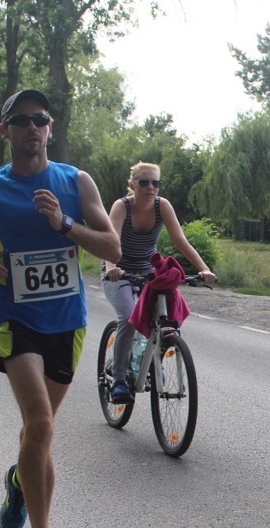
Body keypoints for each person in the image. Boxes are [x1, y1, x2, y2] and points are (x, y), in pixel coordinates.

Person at [0, 89, 121, 528]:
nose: (32, 127)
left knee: (37, 434)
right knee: (41, 424)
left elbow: (111, 246)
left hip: (66, 319)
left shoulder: (76, 181)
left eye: (40, 119)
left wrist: (64, 223)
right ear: (4, 130)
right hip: (13, 316)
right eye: (21, 120)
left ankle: (17, 480)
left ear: (50, 128)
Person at [102, 161, 215, 404]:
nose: (150, 187)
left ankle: (153, 363)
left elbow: (180, 241)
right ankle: (119, 380)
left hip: (148, 270)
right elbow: (111, 242)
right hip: (119, 270)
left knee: (164, 320)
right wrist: (112, 269)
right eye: (143, 182)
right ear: (132, 184)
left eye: (155, 183)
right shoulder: (121, 207)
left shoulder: (162, 206)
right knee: (128, 316)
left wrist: (203, 269)